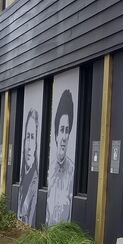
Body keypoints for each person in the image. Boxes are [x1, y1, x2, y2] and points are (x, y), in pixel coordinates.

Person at [46, 90, 75, 225]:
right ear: (56, 133)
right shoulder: (49, 169)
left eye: (67, 130)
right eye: (61, 130)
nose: (64, 137)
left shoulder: (72, 170)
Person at [17, 109, 39, 225]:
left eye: (33, 137)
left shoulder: (35, 182)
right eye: (28, 137)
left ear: (36, 144)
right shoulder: (22, 175)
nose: (29, 146)